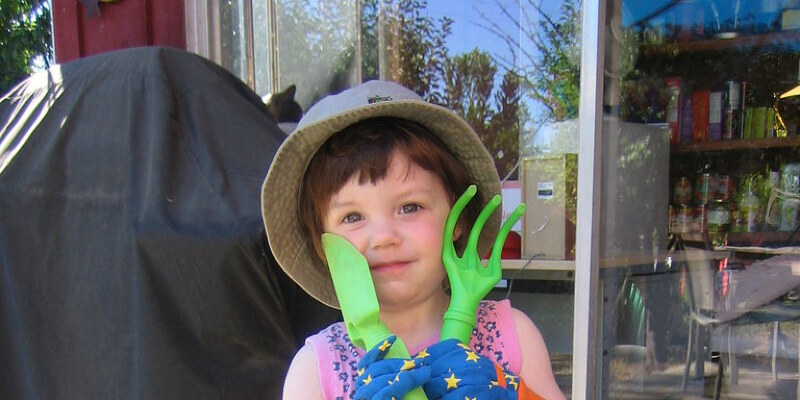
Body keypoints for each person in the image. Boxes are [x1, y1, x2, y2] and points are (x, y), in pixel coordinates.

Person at [261, 80, 565, 399]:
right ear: (322, 247)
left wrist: (516, 393)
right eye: (352, 217)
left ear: (458, 220)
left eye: (410, 207)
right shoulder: (316, 368)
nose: (384, 238)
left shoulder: (512, 334)